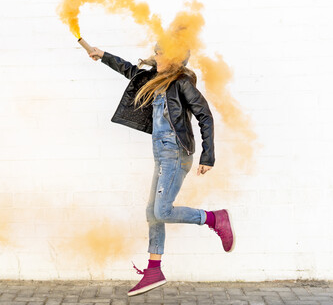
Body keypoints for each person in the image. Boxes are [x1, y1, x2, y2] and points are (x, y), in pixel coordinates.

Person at [87, 43, 235, 296]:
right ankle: (154, 269)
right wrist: (102, 55)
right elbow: (128, 69)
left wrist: (208, 155)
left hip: (176, 152)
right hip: (162, 153)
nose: (155, 54)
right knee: (152, 211)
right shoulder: (153, 79)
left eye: (160, 51)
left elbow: (205, 116)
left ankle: (213, 218)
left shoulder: (181, 83)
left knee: (162, 210)